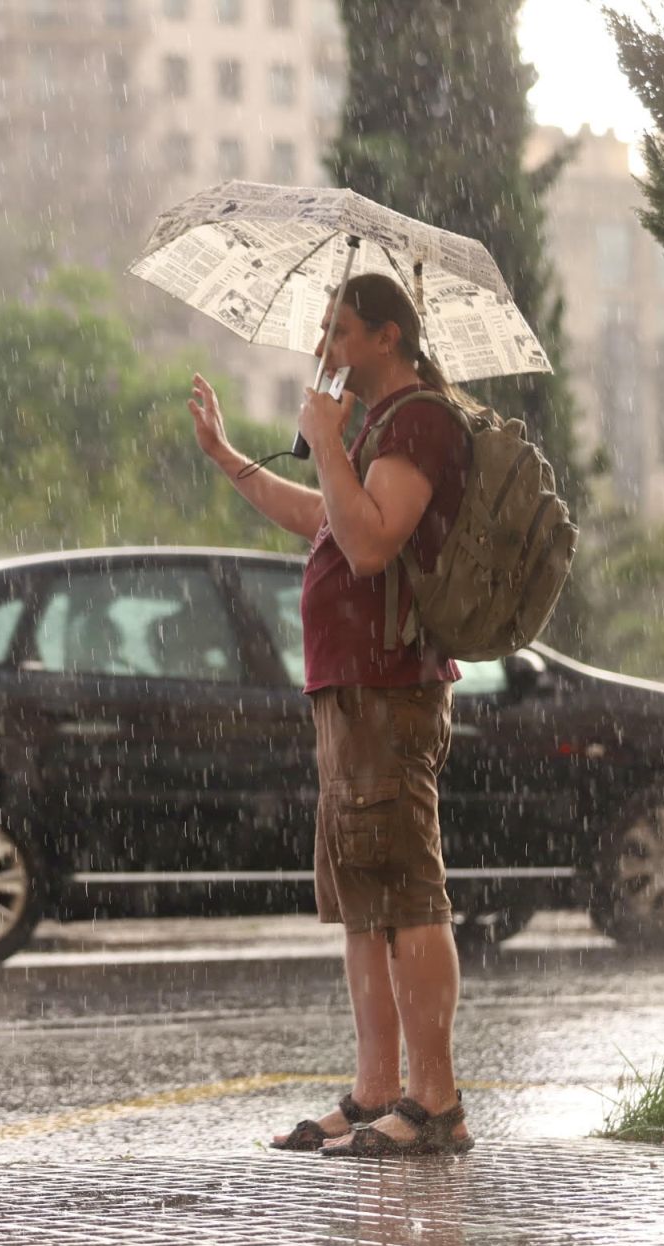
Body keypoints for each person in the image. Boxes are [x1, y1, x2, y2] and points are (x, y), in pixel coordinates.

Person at [187, 272, 474, 1157]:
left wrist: (324, 436)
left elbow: (371, 538)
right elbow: (323, 519)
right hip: (349, 692)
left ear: (388, 337)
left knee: (409, 895)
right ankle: (376, 1088)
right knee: (361, 902)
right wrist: (231, 459)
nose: (326, 348)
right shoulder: (381, 427)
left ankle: (436, 1103)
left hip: (390, 689)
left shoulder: (418, 420)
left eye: (340, 331)